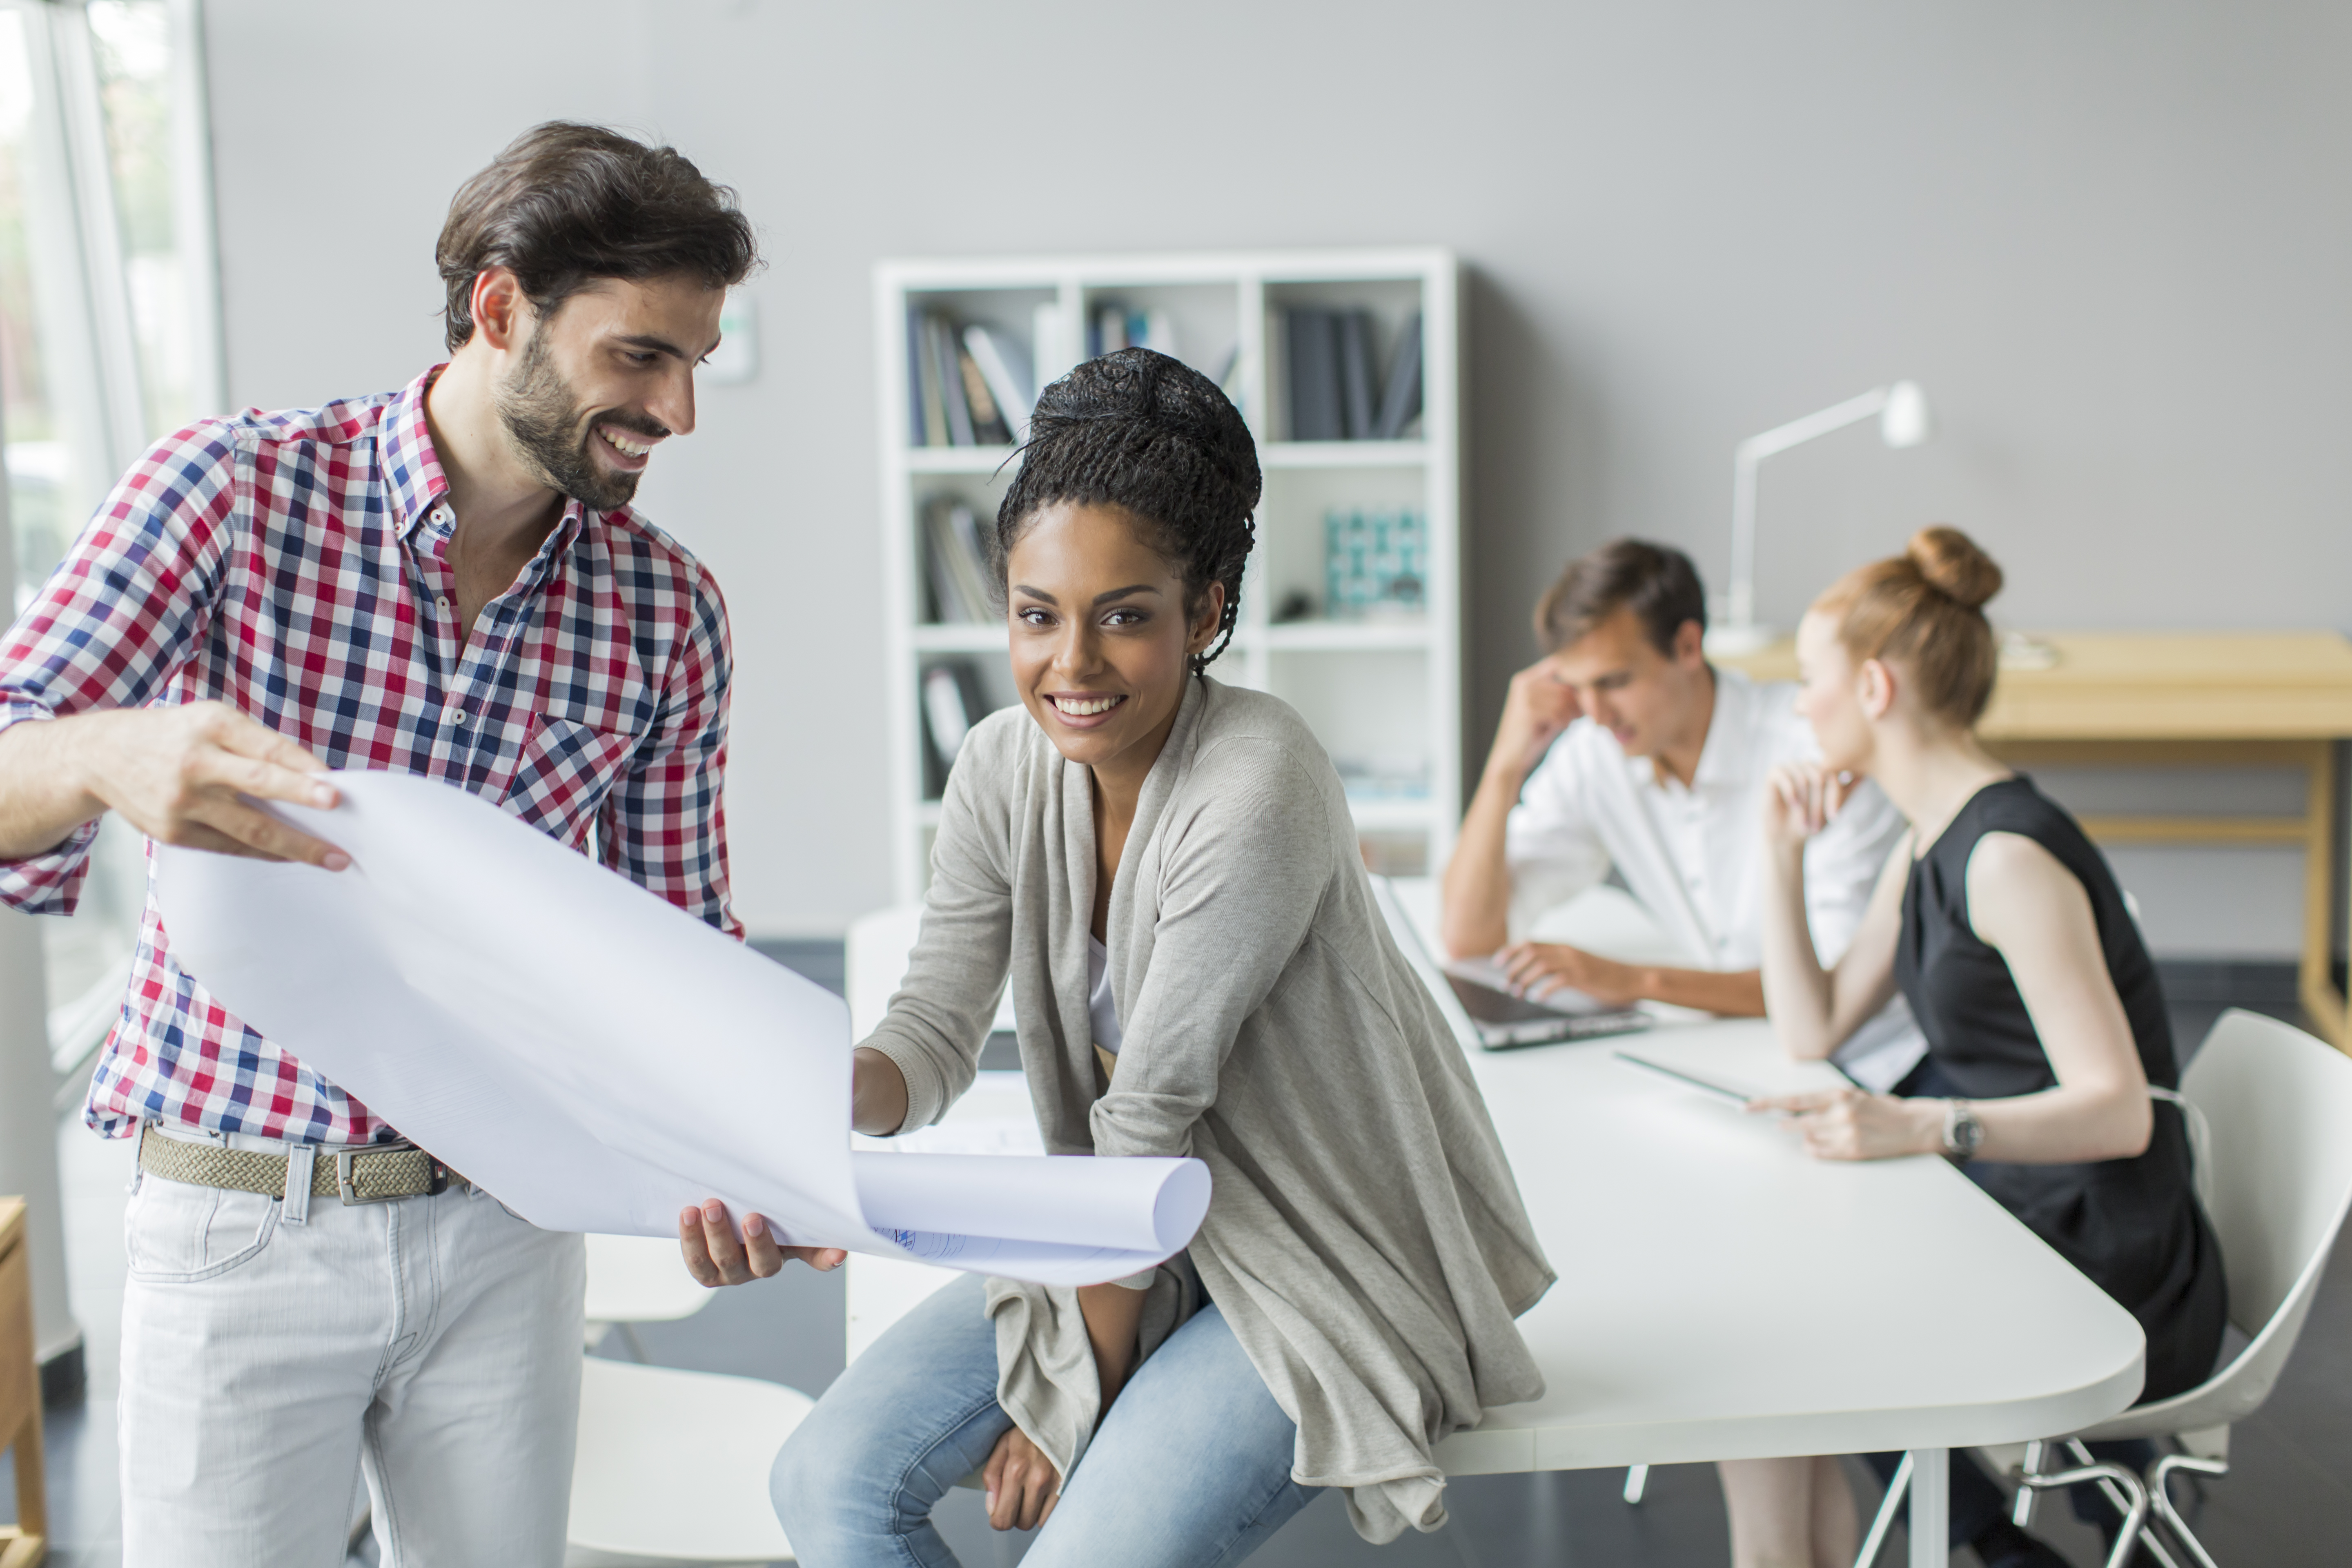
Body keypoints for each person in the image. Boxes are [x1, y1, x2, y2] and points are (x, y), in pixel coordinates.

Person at [0, 123, 840, 1567]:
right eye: (642, 356)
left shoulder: (666, 614)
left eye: (697, 360)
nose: (680, 410)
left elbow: (677, 956)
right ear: (502, 308)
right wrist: (101, 755)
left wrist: (751, 1161)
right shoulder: (229, 494)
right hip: (239, 1220)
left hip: (506, 1239)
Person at [684, 348, 1553, 1568]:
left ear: (1204, 613)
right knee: (827, 1481)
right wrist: (810, 1106)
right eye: (1037, 616)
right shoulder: (998, 765)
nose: (1072, 666)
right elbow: (932, 1026)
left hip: (1315, 1255)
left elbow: (1147, 1120)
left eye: (1126, 617)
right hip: (1125, 1231)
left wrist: (1071, 1398)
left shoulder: (1259, 777)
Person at [1722, 526, 2227, 1568]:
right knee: (1776, 1306)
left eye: (1809, 679)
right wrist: (1776, 857)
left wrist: (1920, 1124)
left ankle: (1988, 1544)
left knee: (1779, 1324)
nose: (1797, 706)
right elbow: (1812, 1026)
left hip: (2104, 1239)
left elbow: (2120, 1109)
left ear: (1871, 687)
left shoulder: (2004, 857)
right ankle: (1989, 1542)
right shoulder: (1930, 838)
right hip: (2025, 1191)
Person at [1441, 538, 1924, 1089]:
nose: (1595, 714)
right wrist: (1506, 765)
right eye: (1577, 688)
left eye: (1615, 682)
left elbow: (1828, 996)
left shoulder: (1820, 754)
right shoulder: (1597, 752)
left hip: (1877, 1071)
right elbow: (1467, 940)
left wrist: (1633, 981)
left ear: (1688, 645)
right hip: (1750, 1060)